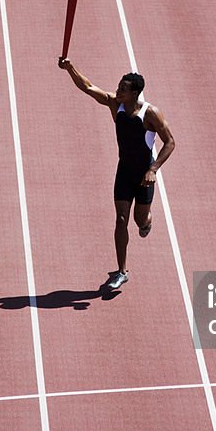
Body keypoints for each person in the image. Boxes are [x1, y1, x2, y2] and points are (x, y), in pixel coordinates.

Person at [58, 57, 176, 290]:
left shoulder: (150, 114)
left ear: (135, 93)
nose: (117, 89)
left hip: (144, 176)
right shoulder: (115, 105)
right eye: (119, 86)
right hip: (124, 172)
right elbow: (89, 87)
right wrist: (69, 67)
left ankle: (147, 220)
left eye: (123, 88)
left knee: (139, 220)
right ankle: (122, 271)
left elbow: (170, 142)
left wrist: (153, 170)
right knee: (120, 219)